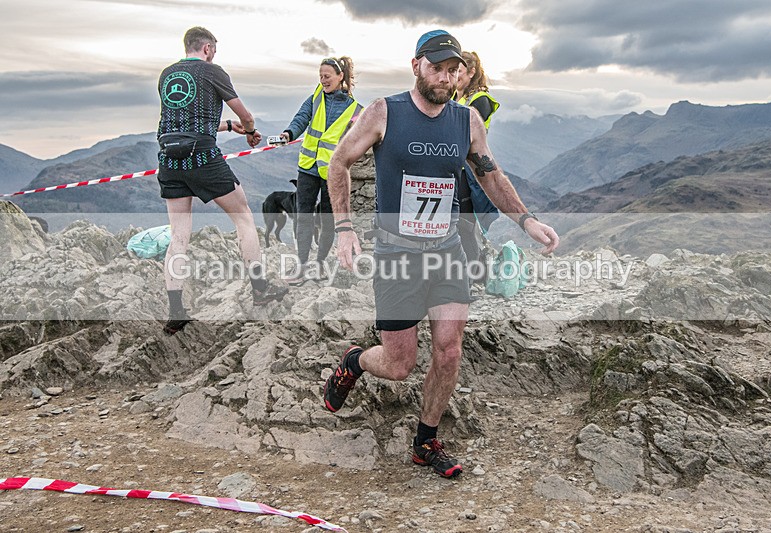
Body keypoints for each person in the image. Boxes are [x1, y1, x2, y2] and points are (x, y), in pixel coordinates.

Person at [324, 30, 559, 478]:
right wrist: (344, 228)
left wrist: (527, 221)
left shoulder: (466, 121)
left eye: (453, 70)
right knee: (399, 365)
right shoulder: (384, 112)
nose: (445, 78)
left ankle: (425, 441)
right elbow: (339, 162)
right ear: (417, 65)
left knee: (449, 351)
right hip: (397, 255)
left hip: (447, 252)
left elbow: (490, 175)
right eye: (437, 68)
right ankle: (355, 360)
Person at [157, 26, 287, 335]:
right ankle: (260, 290)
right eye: (214, 49)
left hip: (169, 159)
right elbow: (246, 114)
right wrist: (250, 130)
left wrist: (228, 126)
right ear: (206, 48)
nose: (214, 54)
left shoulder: (166, 75)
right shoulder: (212, 71)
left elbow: (186, 121)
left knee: (178, 235)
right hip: (203, 158)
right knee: (243, 217)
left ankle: (176, 312)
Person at [280, 57, 362, 285]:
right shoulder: (315, 98)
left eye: (327, 76)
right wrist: (289, 134)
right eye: (320, 76)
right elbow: (301, 118)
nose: (323, 80)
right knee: (303, 217)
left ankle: (319, 265)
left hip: (332, 173)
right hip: (307, 167)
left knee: (327, 222)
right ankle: (301, 266)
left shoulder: (355, 110)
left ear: (340, 76)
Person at [454, 51, 501, 281]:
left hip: (469, 173)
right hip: (457, 170)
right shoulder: (457, 98)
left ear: (471, 72)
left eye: (459, 71)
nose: (455, 76)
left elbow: (467, 135)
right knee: (457, 225)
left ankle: (474, 276)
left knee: (465, 225)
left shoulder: (480, 100)